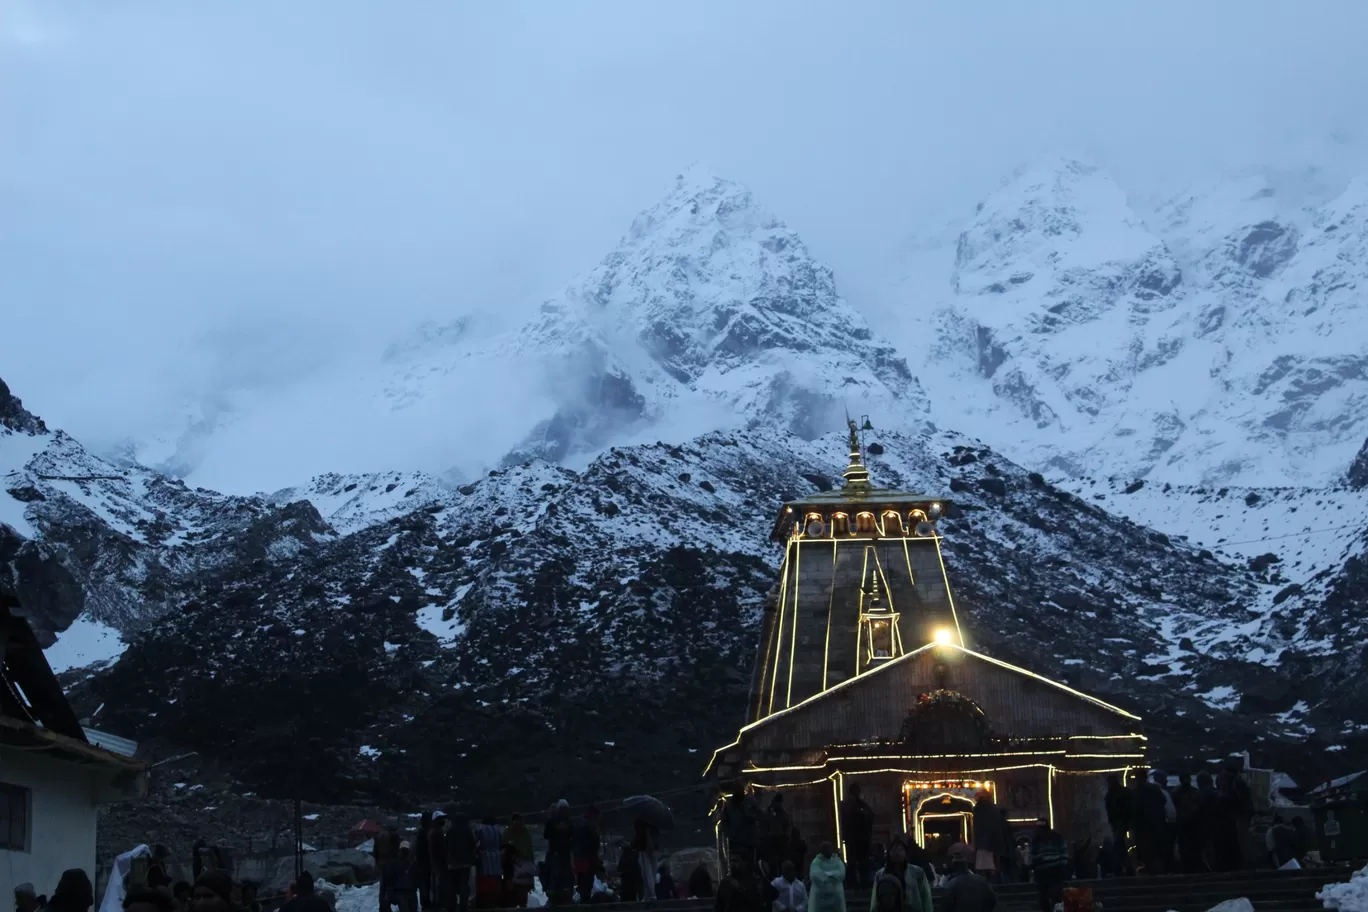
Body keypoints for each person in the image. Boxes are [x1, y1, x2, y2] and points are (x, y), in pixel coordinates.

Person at [869, 838, 932, 912]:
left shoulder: (917, 872)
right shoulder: (880, 874)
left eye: (900, 849)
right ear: (889, 852)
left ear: (905, 852)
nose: (897, 853)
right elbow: (875, 899)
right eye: (894, 849)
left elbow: (926, 896)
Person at [940, 846, 997, 912]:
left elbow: (945, 907)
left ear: (954, 866)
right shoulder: (982, 880)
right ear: (966, 865)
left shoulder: (951, 885)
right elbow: (993, 900)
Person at [841, 784, 875, 888]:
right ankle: (854, 882)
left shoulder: (859, 804)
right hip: (854, 838)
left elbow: (870, 815)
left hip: (860, 838)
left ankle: (861, 881)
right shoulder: (849, 804)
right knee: (854, 861)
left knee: (862, 861)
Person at [543, 801, 576, 906]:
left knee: (566, 874)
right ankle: (552, 890)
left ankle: (567, 890)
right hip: (555, 852)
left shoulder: (569, 821)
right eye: (562, 809)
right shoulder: (552, 821)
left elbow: (573, 833)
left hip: (566, 853)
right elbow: (546, 834)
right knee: (554, 872)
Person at [1030, 822, 1068, 912]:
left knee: (1054, 894)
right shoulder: (1037, 840)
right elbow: (1033, 855)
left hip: (1053, 870)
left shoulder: (1056, 838)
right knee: (1045, 897)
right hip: (1045, 871)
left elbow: (1064, 853)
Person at [971, 790, 1007, 881]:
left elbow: (979, 828)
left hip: (984, 843)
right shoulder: (993, 809)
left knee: (984, 865)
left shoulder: (980, 809)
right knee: (993, 864)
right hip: (994, 842)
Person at [501, 813, 535, 908]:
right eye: (515, 823)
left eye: (519, 823)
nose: (518, 826)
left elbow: (529, 852)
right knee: (511, 895)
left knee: (523, 895)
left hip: (524, 866)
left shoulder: (526, 833)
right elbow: (503, 849)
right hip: (510, 867)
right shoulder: (507, 833)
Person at [444, 814, 477, 912]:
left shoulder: (450, 831)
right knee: (464, 885)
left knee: (452, 886)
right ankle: (463, 906)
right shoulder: (467, 831)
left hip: (452, 863)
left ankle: (452, 906)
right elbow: (473, 844)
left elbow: (446, 846)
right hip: (465, 862)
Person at [1172, 773, 1203, 873]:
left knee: (1186, 847)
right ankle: (1194, 867)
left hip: (1184, 822)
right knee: (1193, 846)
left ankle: (1187, 867)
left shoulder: (1176, 792)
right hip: (1192, 823)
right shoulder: (1195, 792)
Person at [572, 808, 601, 904]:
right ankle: (586, 903)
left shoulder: (579, 827)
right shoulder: (589, 828)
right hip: (587, 862)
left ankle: (584, 902)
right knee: (587, 885)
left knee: (582, 884)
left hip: (580, 861)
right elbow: (594, 844)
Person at [807, 842, 846, 912]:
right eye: (825, 849)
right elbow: (815, 875)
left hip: (836, 896)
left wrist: (826, 874)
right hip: (820, 898)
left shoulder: (837, 860)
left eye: (829, 849)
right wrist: (833, 876)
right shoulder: (816, 861)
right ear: (822, 851)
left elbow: (841, 873)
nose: (828, 851)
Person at [474, 816, 503, 909]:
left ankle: (484, 901)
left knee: (484, 879)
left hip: (484, 856)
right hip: (496, 856)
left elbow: (476, 842)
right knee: (495, 878)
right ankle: (494, 900)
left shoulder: (480, 829)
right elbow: (501, 843)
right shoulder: (497, 829)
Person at [632, 815, 661, 904]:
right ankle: (651, 896)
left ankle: (651, 896)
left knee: (647, 875)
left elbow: (639, 838)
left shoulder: (642, 823)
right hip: (652, 850)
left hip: (646, 850)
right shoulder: (655, 822)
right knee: (651, 874)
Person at [762, 795, 793, 878]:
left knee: (782, 862)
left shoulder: (783, 813)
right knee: (772, 863)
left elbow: (787, 825)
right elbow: (764, 825)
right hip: (771, 839)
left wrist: (786, 836)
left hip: (781, 839)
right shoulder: (768, 812)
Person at [387, 841, 422, 912]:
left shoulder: (395, 863)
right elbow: (418, 877)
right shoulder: (413, 863)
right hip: (410, 891)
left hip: (401, 892)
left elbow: (391, 880)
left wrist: (391, 894)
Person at [428, 813, 448, 912]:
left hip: (437, 861)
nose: (443, 820)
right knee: (438, 883)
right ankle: (438, 904)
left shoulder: (436, 831)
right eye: (441, 818)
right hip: (438, 861)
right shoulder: (437, 832)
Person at [417, 813, 434, 912]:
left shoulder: (421, 832)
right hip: (426, 861)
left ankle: (425, 902)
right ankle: (426, 902)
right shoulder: (426, 833)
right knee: (426, 883)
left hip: (422, 861)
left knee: (424, 883)